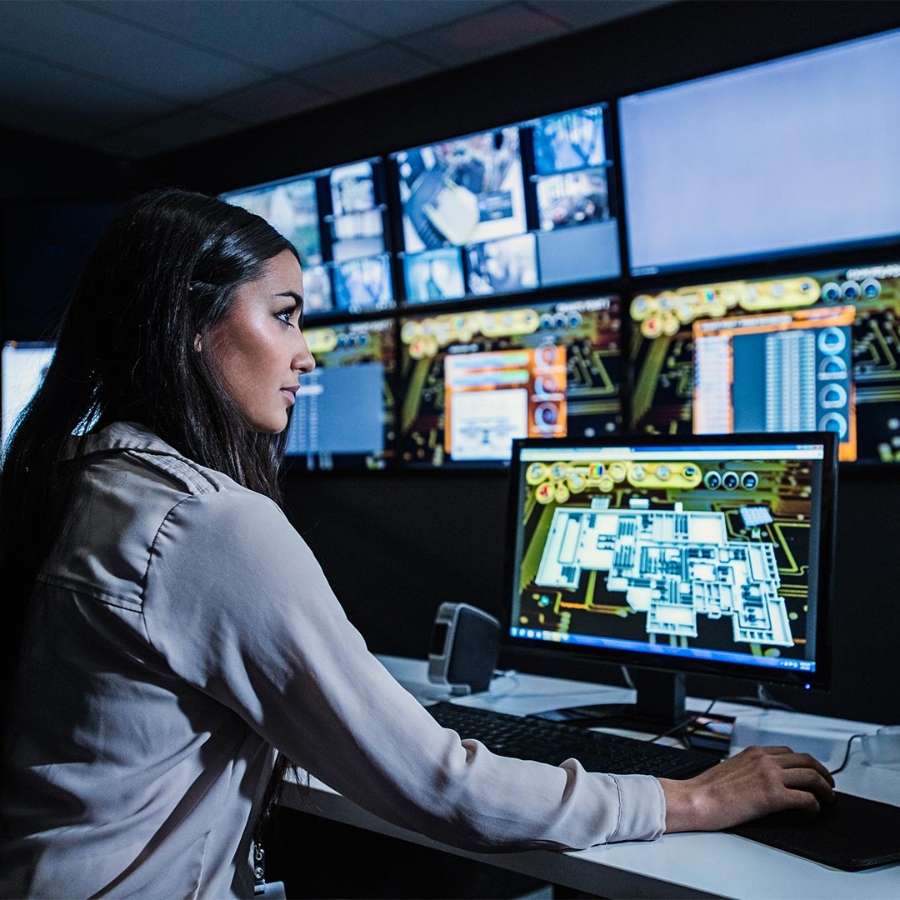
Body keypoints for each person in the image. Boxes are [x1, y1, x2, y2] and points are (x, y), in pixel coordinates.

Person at [0, 188, 835, 898]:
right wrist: (685, 799)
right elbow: (444, 785)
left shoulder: (81, 481)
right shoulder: (206, 523)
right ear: (191, 326)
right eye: (284, 317)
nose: (305, 353)